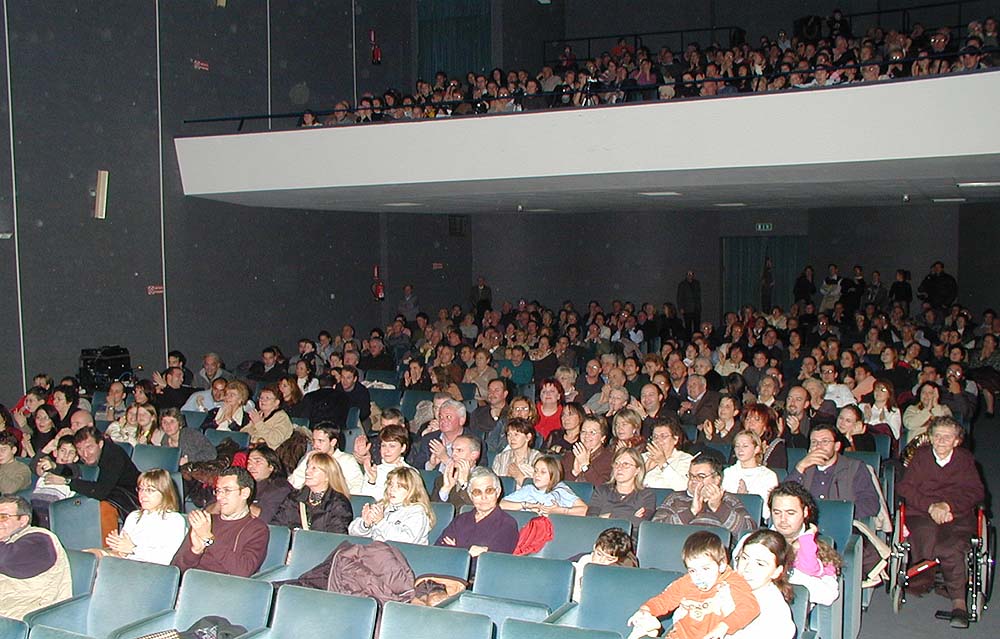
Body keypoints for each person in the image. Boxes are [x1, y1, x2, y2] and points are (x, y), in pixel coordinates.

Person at [896, 416, 985, 628]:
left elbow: (976, 492)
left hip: (956, 514)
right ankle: (928, 576)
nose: (942, 441)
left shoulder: (964, 459)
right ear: (930, 438)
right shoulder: (921, 457)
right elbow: (905, 488)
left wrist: (948, 506)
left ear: (956, 440)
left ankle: (959, 603)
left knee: (950, 546)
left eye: (947, 437)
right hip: (922, 512)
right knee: (924, 536)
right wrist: (930, 506)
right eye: (937, 436)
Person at [627, 531, 759, 639]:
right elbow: (665, 599)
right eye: (693, 570)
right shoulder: (687, 581)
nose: (699, 576)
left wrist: (724, 626)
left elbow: (750, 608)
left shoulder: (732, 582)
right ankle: (649, 630)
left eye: (705, 569)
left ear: (722, 565)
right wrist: (646, 610)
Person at [172, 466, 269, 577]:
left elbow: (243, 571)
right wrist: (195, 551)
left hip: (223, 586)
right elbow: (175, 570)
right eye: (218, 491)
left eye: (227, 490)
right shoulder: (206, 521)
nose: (219, 497)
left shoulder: (257, 529)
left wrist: (209, 539)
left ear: (245, 493)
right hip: (191, 583)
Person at [785, 422, 881, 521]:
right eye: (814, 442)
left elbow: (871, 504)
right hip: (806, 524)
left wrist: (838, 513)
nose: (818, 446)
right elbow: (784, 497)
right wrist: (800, 467)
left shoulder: (854, 468)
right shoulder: (804, 468)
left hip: (842, 524)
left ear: (837, 446)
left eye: (825, 441)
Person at [767, 481, 842, 606]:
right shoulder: (756, 543)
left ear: (805, 512)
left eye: (790, 513)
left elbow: (828, 595)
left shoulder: (819, 550)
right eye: (777, 512)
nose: (783, 519)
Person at [0, 495, 72, 620]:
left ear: (23, 520)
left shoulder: (40, 539)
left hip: (29, 611)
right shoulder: (8, 540)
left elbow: (6, 560)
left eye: (3, 517)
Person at [652, 456, 757, 538]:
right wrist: (691, 511)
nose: (693, 480)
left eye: (701, 476)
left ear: (717, 479)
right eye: (691, 476)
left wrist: (719, 508)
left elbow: (748, 532)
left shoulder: (729, 500)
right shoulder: (675, 498)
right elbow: (655, 530)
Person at [49, 427, 141, 518]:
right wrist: (53, 466)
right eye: (80, 449)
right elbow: (73, 469)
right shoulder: (85, 455)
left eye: (89, 447)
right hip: (104, 492)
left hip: (129, 495)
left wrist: (67, 481)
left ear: (100, 444)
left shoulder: (114, 456)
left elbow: (101, 492)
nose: (85, 454)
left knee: (104, 507)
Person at [101, 469, 186, 565]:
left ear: (165, 493)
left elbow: (168, 559)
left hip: (151, 570)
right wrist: (117, 546)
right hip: (126, 564)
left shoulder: (175, 520)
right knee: (92, 555)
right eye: (141, 489)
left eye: (150, 490)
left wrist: (133, 549)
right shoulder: (134, 516)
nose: (142, 495)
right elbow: (123, 553)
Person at [436, 467, 518, 558]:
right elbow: (440, 549)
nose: (484, 497)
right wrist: (471, 550)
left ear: (498, 492)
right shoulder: (460, 519)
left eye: (489, 491)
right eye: (477, 492)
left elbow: (494, 559)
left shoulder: (507, 524)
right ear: (471, 496)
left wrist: (456, 548)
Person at [731, 530, 797, 639]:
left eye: (760, 564)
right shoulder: (722, 587)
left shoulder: (776, 614)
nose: (747, 568)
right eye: (744, 558)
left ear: (776, 572)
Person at [271, 452, 352, 533]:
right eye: (307, 467)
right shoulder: (294, 498)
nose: (307, 471)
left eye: (314, 468)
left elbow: (336, 536)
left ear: (327, 476)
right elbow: (277, 526)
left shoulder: (338, 503)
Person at [348, 467, 433, 544]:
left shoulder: (417, 512)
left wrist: (381, 522)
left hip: (402, 554)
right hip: (376, 551)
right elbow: (351, 532)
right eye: (390, 485)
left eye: (399, 487)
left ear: (412, 490)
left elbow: (407, 541)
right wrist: (365, 524)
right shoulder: (383, 505)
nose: (392, 489)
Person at [587, 448, 655, 531]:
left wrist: (609, 516)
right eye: (616, 463)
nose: (619, 468)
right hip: (600, 535)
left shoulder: (646, 495)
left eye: (626, 464)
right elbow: (591, 520)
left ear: (637, 470)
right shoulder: (602, 490)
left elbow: (642, 523)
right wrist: (630, 517)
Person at [288, 423, 364, 495]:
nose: (315, 445)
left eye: (320, 441)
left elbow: (357, 486)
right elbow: (293, 483)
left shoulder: (347, 460)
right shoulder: (311, 457)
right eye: (313, 440)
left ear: (333, 442)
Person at [500, 456, 588, 516]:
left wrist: (559, 510)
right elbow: (501, 505)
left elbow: (584, 510)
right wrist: (526, 505)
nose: (537, 475)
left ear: (553, 474)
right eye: (535, 471)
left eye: (543, 472)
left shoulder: (560, 490)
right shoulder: (528, 489)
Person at [571, 527, 638, 601]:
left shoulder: (619, 573)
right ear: (594, 547)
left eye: (609, 559)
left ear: (619, 560)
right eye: (599, 554)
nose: (601, 561)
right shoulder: (580, 561)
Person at [722, 430, 779, 510]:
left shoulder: (768, 476)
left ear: (756, 449)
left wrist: (747, 499)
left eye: (745, 446)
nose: (740, 449)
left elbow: (767, 509)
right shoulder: (728, 473)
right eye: (737, 446)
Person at [354, 424, 412, 499]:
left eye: (392, 446)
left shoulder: (410, 473)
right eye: (383, 445)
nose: (386, 450)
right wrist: (371, 481)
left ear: (403, 448)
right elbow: (364, 500)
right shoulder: (373, 470)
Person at [642, 416, 693, 490]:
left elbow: (683, 487)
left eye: (663, 436)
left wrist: (662, 463)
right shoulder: (643, 457)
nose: (658, 440)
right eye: (655, 437)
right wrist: (644, 469)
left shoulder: (686, 460)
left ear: (675, 439)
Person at [151, 408, 216, 466]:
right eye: (165, 422)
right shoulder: (164, 440)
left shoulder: (191, 434)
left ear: (180, 424)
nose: (168, 425)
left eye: (172, 421)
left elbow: (211, 453)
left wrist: (188, 459)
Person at [561, 414, 613, 485]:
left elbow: (602, 487)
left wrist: (585, 466)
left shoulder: (610, 458)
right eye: (583, 431)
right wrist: (574, 472)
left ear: (603, 437)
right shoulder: (570, 455)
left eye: (592, 432)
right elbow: (559, 485)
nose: (587, 435)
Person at [491, 417, 542, 489]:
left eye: (516, 434)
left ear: (528, 437)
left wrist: (519, 476)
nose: (512, 439)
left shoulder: (538, 459)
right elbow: (493, 484)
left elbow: (541, 488)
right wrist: (507, 479)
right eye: (509, 435)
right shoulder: (500, 458)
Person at [246, 446, 292, 523]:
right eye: (249, 462)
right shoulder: (246, 484)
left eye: (257, 461)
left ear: (271, 467)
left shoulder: (280, 487)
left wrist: (239, 501)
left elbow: (263, 517)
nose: (250, 466)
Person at [243, 385, 293, 449]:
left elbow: (274, 440)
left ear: (276, 402)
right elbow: (243, 433)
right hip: (251, 448)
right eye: (261, 398)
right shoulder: (259, 414)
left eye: (267, 398)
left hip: (270, 452)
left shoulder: (282, 417)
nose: (263, 400)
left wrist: (258, 423)